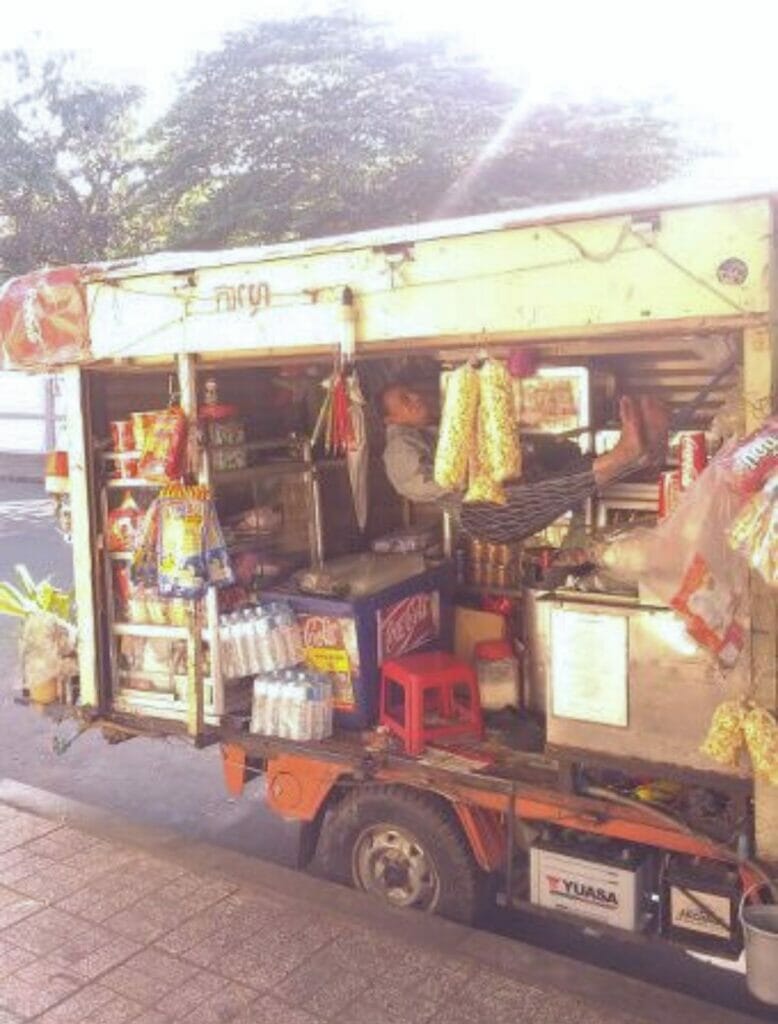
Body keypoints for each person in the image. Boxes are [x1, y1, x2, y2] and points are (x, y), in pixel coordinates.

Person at [379, 382, 669, 543]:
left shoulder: (428, 430)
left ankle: (643, 459)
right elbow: (421, 483)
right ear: (390, 418)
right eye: (404, 399)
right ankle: (627, 454)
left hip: (496, 501)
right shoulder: (398, 448)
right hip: (485, 514)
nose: (415, 397)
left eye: (412, 391)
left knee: (562, 461)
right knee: (560, 486)